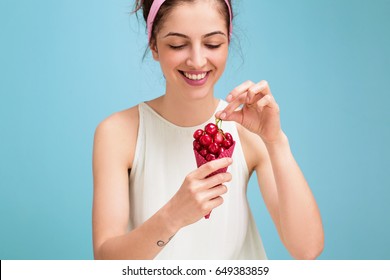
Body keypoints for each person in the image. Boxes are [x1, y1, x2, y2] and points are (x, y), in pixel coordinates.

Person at [92, 0, 324, 260]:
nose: (197, 60)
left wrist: (276, 141)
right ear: (154, 46)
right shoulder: (117, 134)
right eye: (178, 45)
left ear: (227, 42)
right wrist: (174, 215)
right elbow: (105, 261)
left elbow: (307, 249)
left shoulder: (247, 130)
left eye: (212, 43)